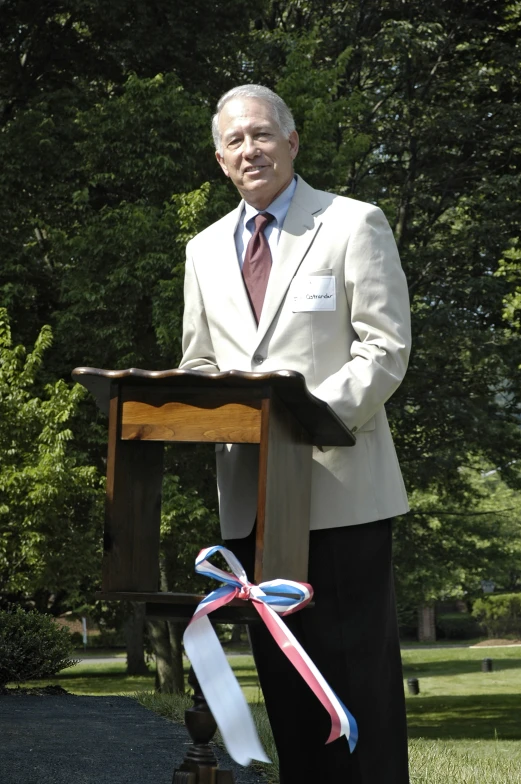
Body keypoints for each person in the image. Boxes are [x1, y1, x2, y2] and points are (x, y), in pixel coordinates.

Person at [180, 84, 411, 784]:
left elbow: (384, 350)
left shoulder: (351, 223)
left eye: (261, 134)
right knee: (287, 695)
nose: (249, 149)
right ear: (220, 160)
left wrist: (296, 421)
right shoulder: (202, 249)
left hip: (341, 498)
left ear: (291, 141)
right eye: (234, 142)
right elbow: (198, 362)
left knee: (354, 690)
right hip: (251, 509)